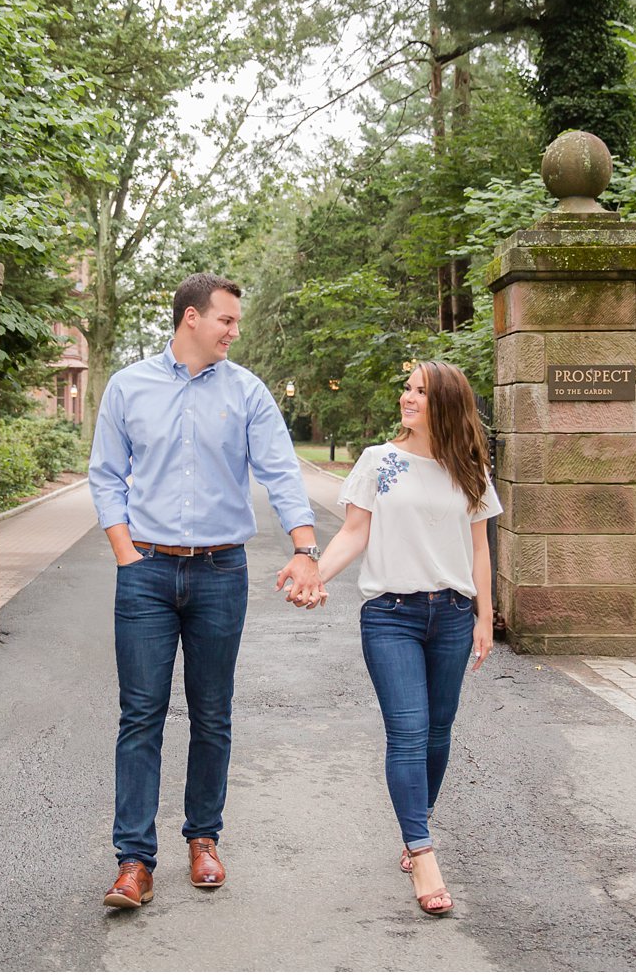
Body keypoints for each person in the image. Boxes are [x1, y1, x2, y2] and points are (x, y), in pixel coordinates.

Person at [88, 272, 325, 910]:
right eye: (226, 320)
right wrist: (124, 552)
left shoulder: (247, 393)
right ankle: (134, 861)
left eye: (235, 322)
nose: (233, 331)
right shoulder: (128, 387)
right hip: (147, 574)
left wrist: (305, 549)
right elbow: (106, 475)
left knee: (212, 714)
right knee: (140, 715)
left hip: (223, 572)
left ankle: (204, 839)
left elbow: (281, 471)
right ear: (191, 318)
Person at [315, 361, 500, 916]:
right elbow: (354, 532)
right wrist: (314, 575)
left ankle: (413, 826)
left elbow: (481, 549)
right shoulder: (379, 462)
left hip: (451, 614)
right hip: (390, 614)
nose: (406, 397)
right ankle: (423, 852)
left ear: (443, 402)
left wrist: (484, 618)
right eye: (407, 388)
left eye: (419, 390)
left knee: (438, 733)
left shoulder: (468, 467)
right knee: (408, 731)